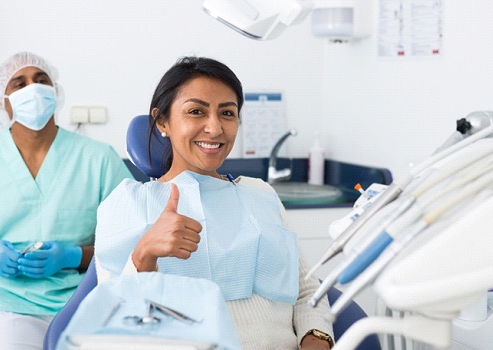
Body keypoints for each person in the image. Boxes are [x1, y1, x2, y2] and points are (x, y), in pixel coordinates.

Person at [94, 56, 334, 350]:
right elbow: (111, 325)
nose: (215, 128)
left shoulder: (260, 194)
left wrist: (316, 337)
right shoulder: (126, 206)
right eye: (196, 111)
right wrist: (144, 254)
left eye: (227, 113)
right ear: (162, 122)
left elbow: (306, 288)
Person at [0, 51, 134, 349]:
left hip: (83, 299)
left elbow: (131, 244)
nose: (32, 89)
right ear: (3, 100)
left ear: (56, 91)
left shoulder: (99, 160)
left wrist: (73, 256)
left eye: (41, 80)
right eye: (18, 84)